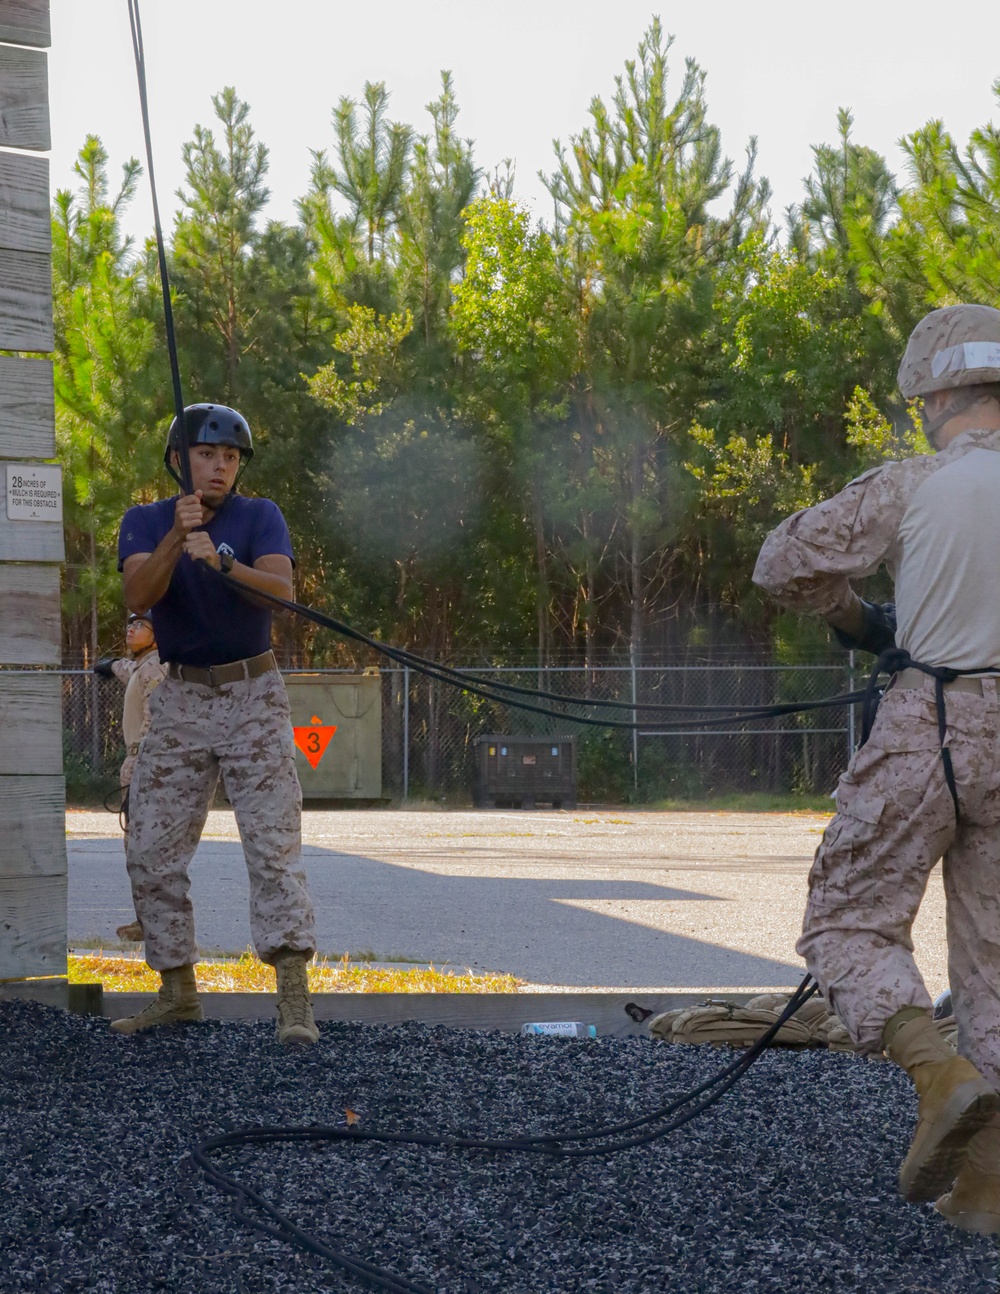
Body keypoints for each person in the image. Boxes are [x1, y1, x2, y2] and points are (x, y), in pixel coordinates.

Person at [753, 303, 1000, 1234]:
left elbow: (784, 565)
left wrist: (862, 624)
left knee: (849, 920)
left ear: (937, 395)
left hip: (931, 726)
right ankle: (987, 1195)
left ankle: (938, 1074)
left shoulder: (913, 485)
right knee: (995, 964)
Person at [112, 402, 319, 1045]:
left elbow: (281, 594)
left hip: (252, 693)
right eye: (207, 454)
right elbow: (136, 596)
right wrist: (178, 537)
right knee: (149, 848)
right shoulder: (146, 521)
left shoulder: (261, 517)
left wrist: (221, 561)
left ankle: (292, 1001)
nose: (220, 466)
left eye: (230, 457)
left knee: (272, 845)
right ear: (179, 460)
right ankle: (177, 993)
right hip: (179, 698)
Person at [94, 611, 168, 941]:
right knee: (135, 848)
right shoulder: (142, 665)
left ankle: (153, 922)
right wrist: (111, 666)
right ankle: (146, 919)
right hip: (138, 762)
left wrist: (140, 760)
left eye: (140, 625)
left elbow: (157, 718)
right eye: (130, 623)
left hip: (144, 763)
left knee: (143, 849)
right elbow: (129, 672)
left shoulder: (154, 668)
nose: (130, 628)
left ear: (156, 634)